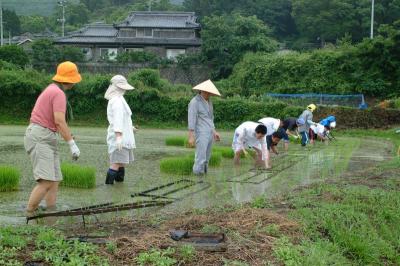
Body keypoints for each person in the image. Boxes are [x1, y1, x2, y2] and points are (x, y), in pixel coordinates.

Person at [24, 61, 82, 217]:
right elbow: (59, 120)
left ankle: (51, 213)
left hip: (47, 135)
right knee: (46, 181)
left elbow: (55, 123)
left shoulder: (52, 90)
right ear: (68, 79)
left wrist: (68, 135)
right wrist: (72, 144)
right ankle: (29, 214)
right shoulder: (58, 93)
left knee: (54, 180)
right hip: (40, 137)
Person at [105, 75, 136, 185]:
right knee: (116, 163)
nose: (124, 90)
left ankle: (119, 186)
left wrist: (130, 128)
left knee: (121, 163)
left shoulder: (120, 99)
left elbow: (124, 119)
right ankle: (109, 186)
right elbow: (117, 120)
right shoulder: (116, 101)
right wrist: (118, 137)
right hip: (119, 138)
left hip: (123, 136)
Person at [188, 80, 221, 175]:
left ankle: (204, 177)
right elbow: (191, 119)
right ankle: (197, 179)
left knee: (207, 158)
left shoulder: (209, 102)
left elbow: (210, 119)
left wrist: (215, 132)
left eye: (209, 92)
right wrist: (191, 136)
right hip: (201, 133)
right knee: (200, 158)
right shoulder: (194, 102)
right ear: (201, 91)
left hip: (210, 133)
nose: (208, 94)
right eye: (206, 92)